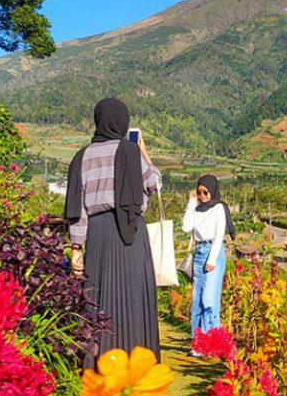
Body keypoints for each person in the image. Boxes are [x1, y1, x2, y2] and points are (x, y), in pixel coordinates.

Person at [65, 98, 162, 369]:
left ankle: (98, 366)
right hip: (130, 233)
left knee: (97, 298)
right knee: (131, 298)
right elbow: (154, 184)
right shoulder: (130, 152)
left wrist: (76, 248)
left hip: (97, 234)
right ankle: (134, 366)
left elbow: (79, 209)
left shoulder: (81, 157)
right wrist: (144, 153)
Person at [182, 174, 236, 348]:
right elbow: (186, 227)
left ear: (213, 191)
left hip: (213, 252)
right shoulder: (197, 208)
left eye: (206, 192)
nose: (202, 196)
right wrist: (191, 203)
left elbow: (220, 233)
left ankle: (211, 341)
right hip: (199, 252)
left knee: (208, 298)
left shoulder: (218, 208)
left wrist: (212, 259)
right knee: (197, 298)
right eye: (199, 192)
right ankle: (199, 342)